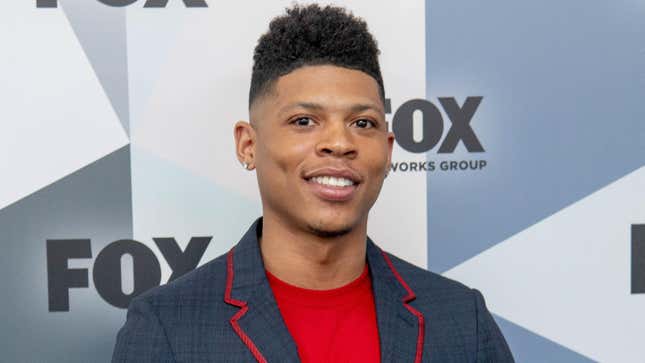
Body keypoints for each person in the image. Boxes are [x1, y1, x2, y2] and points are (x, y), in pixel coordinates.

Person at [112, 4, 514, 362]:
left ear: (388, 150)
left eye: (363, 123)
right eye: (304, 121)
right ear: (248, 145)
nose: (339, 143)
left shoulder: (462, 320)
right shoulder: (168, 327)